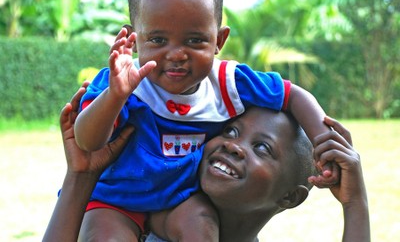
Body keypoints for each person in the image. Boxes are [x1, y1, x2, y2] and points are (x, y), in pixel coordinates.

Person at [73, 0, 338, 241]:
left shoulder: (227, 82)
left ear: (218, 41)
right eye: (159, 39)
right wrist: (115, 97)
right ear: (135, 41)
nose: (176, 54)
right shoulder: (119, 81)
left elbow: (292, 95)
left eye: (195, 40)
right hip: (117, 199)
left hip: (182, 198)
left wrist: (324, 141)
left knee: (201, 229)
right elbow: (88, 142)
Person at [43, 83, 369, 242]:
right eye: (230, 130)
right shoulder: (146, 229)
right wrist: (81, 174)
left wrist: (355, 203)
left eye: (262, 148)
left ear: (290, 197)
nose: (232, 146)